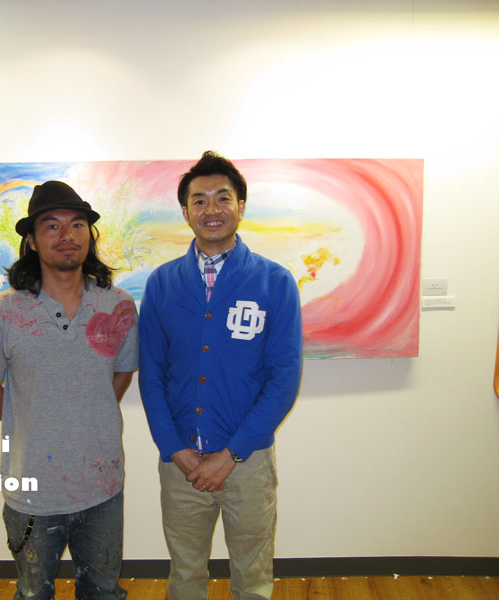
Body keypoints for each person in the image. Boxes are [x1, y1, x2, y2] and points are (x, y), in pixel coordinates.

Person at [138, 151, 302, 600]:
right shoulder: (162, 284)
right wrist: (175, 450)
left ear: (241, 206)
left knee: (252, 575)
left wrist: (231, 454)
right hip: (181, 464)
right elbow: (151, 375)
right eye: (199, 200)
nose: (211, 209)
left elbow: (283, 379)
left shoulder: (275, 282)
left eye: (223, 198)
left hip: (247, 462)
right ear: (185, 211)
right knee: (185, 573)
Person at [0, 180, 138, 600]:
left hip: (102, 485)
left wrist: (88, 412)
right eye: (52, 225)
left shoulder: (118, 304)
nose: (67, 235)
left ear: (89, 236)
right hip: (32, 490)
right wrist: (31, 420)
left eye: (77, 224)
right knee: (33, 594)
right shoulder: (3, 311)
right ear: (31, 240)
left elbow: (121, 374)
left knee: (103, 592)